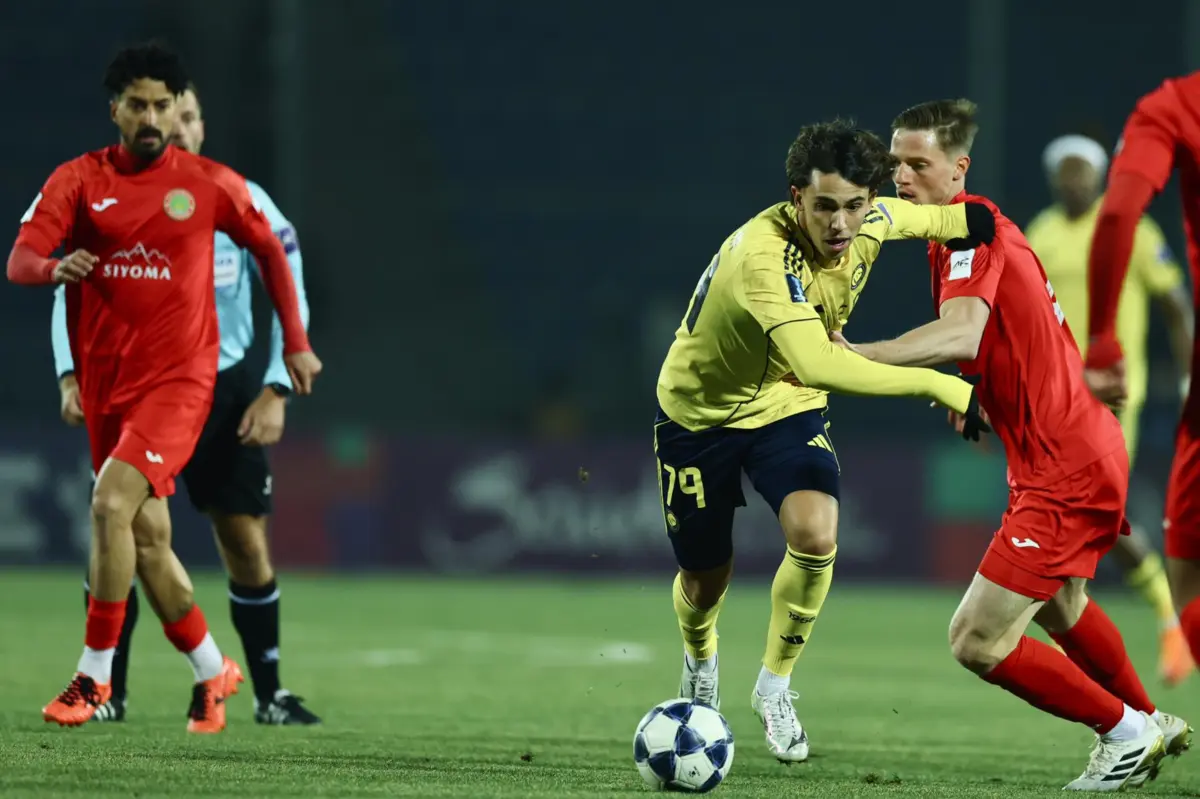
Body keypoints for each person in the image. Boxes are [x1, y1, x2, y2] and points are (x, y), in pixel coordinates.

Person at [838, 97, 1190, 790]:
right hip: (1068, 448)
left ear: (957, 169)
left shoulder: (972, 232)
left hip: (1066, 462)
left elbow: (962, 332)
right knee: (1063, 606)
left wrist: (855, 353)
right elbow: (1001, 344)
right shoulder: (960, 237)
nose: (901, 179)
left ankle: (1126, 732)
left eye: (918, 165)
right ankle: (1148, 719)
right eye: (895, 165)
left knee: (975, 638)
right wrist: (979, 398)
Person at [654, 119, 994, 763]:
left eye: (855, 207)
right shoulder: (763, 255)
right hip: (701, 414)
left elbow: (956, 221)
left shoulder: (876, 220)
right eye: (824, 207)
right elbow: (816, 363)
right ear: (795, 199)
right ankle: (701, 661)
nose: (841, 225)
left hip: (785, 406)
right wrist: (944, 386)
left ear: (871, 201)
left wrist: (990, 234)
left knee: (816, 535)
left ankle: (774, 685)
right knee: (705, 579)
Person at [6, 42, 320, 732]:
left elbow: (274, 248)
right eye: (138, 104)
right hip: (110, 383)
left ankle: (93, 678)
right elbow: (22, 258)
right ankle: (214, 669)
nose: (154, 117)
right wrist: (53, 269)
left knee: (111, 504)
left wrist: (291, 349)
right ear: (115, 108)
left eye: (164, 105)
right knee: (147, 540)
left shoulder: (212, 183)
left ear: (182, 109)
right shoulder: (79, 181)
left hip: (187, 383)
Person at [1026, 133, 1194, 686]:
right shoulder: (1041, 234)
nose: (1072, 181)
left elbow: (1176, 306)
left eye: (1082, 172)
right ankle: (1151, 628)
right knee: (1098, 521)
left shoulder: (1132, 229)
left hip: (1113, 398)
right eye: (1064, 172)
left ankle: (1162, 626)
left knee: (1098, 516)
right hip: (1052, 400)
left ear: (1100, 176)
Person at [1085, 71, 1200, 689]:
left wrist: (1104, 341)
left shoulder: (1174, 106)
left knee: (1091, 531)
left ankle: (1129, 714)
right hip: (1060, 392)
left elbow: (1123, 214)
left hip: (1103, 397)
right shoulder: (1043, 233)